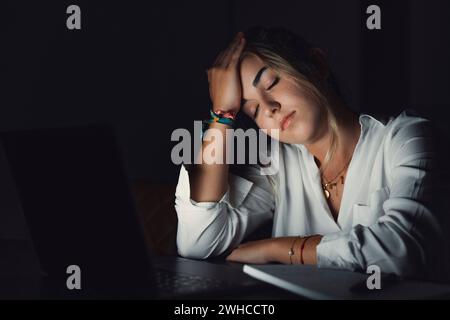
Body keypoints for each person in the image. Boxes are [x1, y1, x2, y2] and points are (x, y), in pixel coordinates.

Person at [174, 26, 450, 282]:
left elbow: (400, 252)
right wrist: (222, 117)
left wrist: (279, 249)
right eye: (252, 110)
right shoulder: (277, 165)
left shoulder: (407, 138)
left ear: (317, 64)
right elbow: (199, 242)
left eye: (271, 83)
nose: (269, 108)